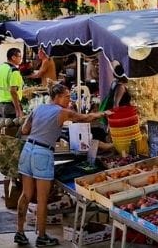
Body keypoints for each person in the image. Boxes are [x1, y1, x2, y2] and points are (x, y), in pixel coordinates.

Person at [14, 83, 112, 247]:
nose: (69, 100)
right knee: (42, 198)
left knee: (25, 194)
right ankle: (42, 237)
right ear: (58, 97)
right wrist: (104, 113)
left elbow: (24, 130)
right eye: (67, 96)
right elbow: (85, 118)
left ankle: (20, 232)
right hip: (42, 153)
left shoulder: (38, 108)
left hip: (28, 149)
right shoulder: (62, 112)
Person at [0, 48, 25, 118]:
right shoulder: (14, 71)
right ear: (13, 57)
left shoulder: (0, 68)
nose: (21, 59)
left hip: (0, 105)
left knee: (3, 128)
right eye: (19, 57)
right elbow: (13, 91)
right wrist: (18, 110)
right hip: (11, 106)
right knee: (13, 128)